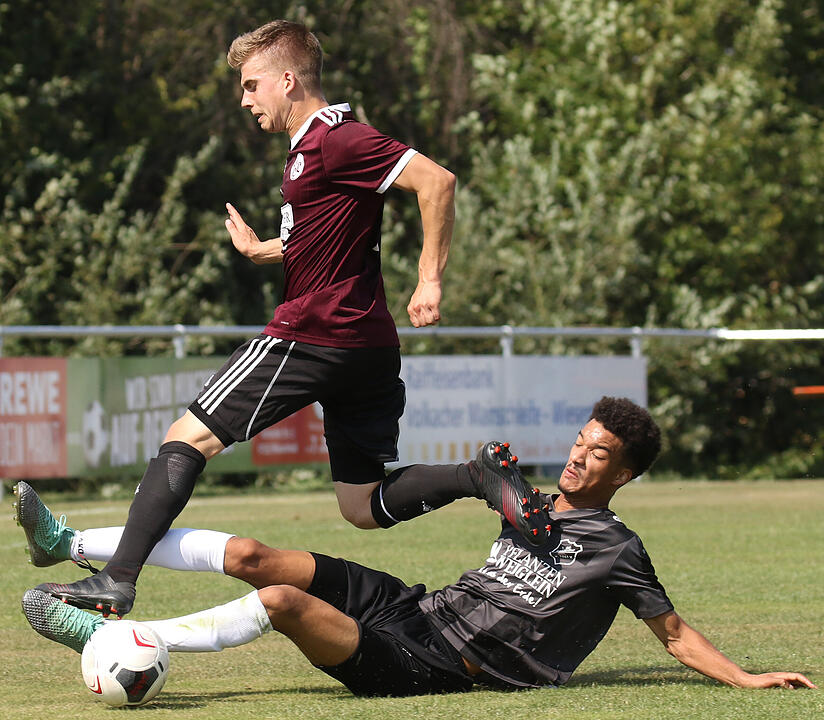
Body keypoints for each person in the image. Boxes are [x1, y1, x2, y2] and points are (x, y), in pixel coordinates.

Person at [33, 19, 548, 619]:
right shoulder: (308, 153)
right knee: (361, 505)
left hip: (312, 333)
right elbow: (323, 234)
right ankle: (478, 475)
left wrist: (429, 278)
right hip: (366, 344)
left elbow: (437, 182)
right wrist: (263, 252)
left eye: (252, 86)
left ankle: (117, 579)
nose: (246, 100)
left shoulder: (335, 138)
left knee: (186, 437)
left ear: (288, 79)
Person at [17, 398, 816, 695]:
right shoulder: (530, 506)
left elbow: (670, 633)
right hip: (416, 606)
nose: (578, 455)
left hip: (437, 666)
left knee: (281, 602)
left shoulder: (618, 549)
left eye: (599, 453)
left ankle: (118, 639)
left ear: (626, 473)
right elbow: (452, 485)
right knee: (257, 553)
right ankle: (69, 543)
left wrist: (745, 678)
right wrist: (478, 477)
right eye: (579, 440)